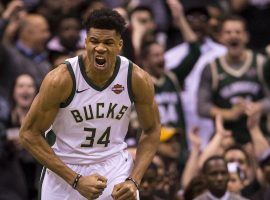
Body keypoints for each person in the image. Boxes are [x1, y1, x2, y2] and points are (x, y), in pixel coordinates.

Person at [19, 8, 160, 200]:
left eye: (108, 42)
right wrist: (76, 180)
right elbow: (28, 133)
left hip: (113, 165)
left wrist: (134, 180)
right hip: (65, 167)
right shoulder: (61, 79)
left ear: (119, 45)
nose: (100, 48)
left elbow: (152, 130)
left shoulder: (136, 78)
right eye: (94, 41)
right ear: (85, 42)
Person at [198, 15, 270, 145]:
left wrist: (257, 107)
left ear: (246, 36)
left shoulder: (261, 63)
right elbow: (202, 107)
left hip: (259, 135)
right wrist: (229, 114)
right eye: (228, 32)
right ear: (220, 37)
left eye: (238, 32)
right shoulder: (212, 68)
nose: (233, 36)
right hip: (227, 137)